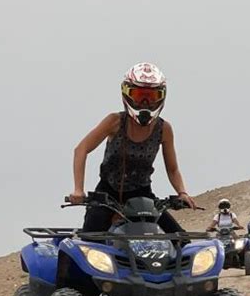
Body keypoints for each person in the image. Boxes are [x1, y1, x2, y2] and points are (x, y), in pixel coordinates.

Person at [69, 63, 196, 233]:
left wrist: (182, 193)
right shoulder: (114, 121)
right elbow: (81, 150)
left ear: (162, 97)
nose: (145, 102)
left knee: (181, 239)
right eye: (139, 95)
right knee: (89, 242)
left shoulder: (164, 129)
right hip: (107, 195)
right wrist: (78, 189)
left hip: (143, 197)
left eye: (152, 96)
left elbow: (173, 169)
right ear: (126, 93)